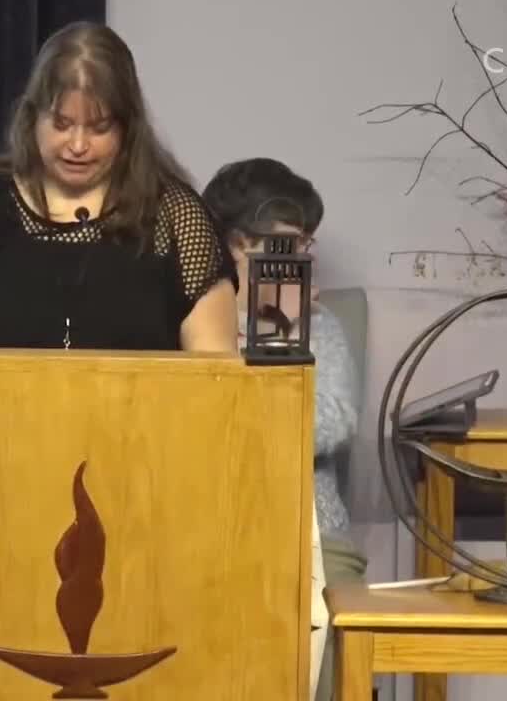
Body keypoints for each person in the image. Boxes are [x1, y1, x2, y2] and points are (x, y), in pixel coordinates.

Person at [0, 21, 236, 351]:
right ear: (33, 119)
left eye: (99, 128)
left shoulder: (177, 217)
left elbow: (215, 376)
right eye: (61, 124)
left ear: (127, 129)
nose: (77, 145)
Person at [203, 157, 367, 701]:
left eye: (306, 246)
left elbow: (333, 422)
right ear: (237, 246)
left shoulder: (320, 326)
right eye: (286, 246)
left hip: (314, 535)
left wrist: (284, 335)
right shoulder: (194, 321)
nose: (301, 260)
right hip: (212, 532)